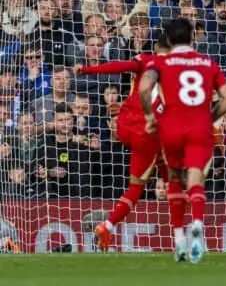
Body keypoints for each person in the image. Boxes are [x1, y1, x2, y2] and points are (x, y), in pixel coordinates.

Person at [138, 18, 226, 264]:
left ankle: (179, 238)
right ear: (192, 37)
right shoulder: (208, 62)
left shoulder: (160, 61)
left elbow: (143, 88)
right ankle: (198, 226)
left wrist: (150, 116)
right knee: (196, 177)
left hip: (170, 127)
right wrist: (209, 116)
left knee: (173, 177)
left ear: (168, 40)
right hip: (199, 128)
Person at [72, 34, 171, 252]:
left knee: (164, 163)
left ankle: (173, 187)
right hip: (146, 132)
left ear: (156, 47)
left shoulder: (145, 60)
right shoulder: (180, 71)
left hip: (123, 126)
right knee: (137, 188)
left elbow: (117, 67)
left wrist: (87, 69)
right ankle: (107, 226)